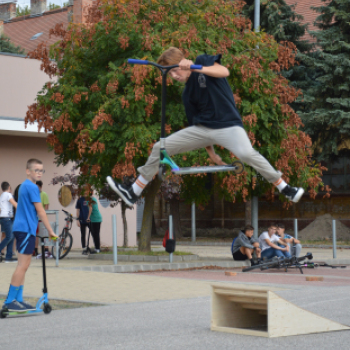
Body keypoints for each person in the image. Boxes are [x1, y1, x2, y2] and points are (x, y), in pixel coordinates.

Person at [106, 47, 305, 207]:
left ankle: (285, 188)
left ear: (183, 63)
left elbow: (224, 71)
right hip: (203, 130)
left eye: (176, 70)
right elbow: (195, 123)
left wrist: (196, 67)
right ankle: (133, 191)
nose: (175, 75)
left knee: (246, 154)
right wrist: (210, 151)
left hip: (228, 126)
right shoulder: (187, 95)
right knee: (160, 147)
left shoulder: (203, 62)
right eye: (171, 73)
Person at [2, 159, 57, 312]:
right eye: (36, 170)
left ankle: (18, 299)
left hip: (22, 228)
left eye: (41, 170)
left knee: (24, 265)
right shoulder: (32, 187)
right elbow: (40, 211)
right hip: (26, 229)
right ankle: (9, 300)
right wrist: (50, 231)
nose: (39, 172)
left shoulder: (23, 187)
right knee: (22, 265)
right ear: (28, 171)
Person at [0, 182, 18, 263]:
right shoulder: (8, 195)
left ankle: (9, 256)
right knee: (9, 236)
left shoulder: (2, 196)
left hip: (3, 218)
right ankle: (6, 255)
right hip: (7, 218)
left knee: (12, 236)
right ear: (9, 187)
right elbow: (15, 204)